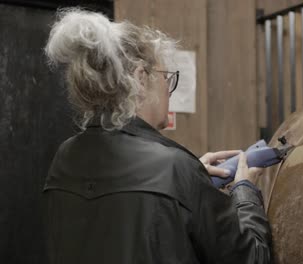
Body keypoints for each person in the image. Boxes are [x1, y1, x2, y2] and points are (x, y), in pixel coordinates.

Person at [43, 9, 271, 264]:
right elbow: (253, 258)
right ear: (141, 78)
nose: (169, 91)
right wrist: (245, 192)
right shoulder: (176, 168)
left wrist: (192, 180)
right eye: (166, 77)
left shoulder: (64, 157)